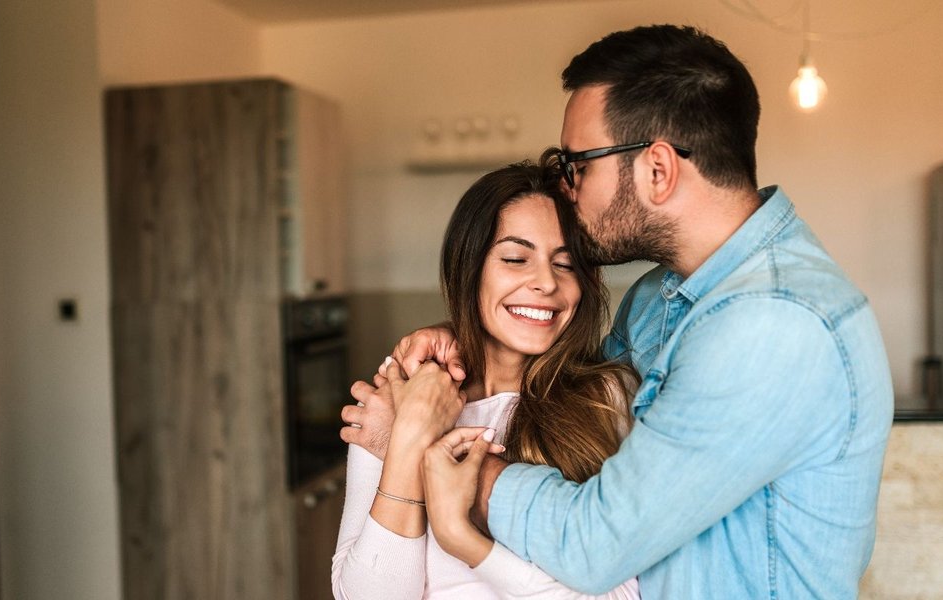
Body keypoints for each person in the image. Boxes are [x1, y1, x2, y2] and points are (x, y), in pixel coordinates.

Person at [344, 24, 893, 599]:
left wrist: (422, 448)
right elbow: (561, 385)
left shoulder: (774, 322)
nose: (569, 188)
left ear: (658, 170)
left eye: (579, 164)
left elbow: (593, 542)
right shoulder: (660, 298)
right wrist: (460, 334)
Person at [332, 159, 641, 599]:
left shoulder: (607, 399)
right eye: (516, 258)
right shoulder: (402, 392)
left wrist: (468, 540)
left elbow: (623, 596)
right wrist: (404, 445)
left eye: (567, 264)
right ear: (469, 269)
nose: (545, 283)